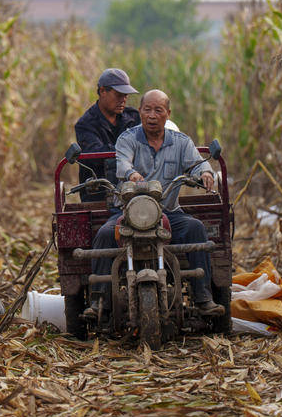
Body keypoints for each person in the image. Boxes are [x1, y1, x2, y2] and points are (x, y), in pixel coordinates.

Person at [83, 89, 225, 318]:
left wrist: (205, 172)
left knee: (196, 229)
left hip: (168, 212)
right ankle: (99, 301)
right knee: (104, 235)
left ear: (168, 114)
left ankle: (203, 298)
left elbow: (197, 164)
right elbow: (123, 163)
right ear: (139, 111)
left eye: (158, 110)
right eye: (147, 109)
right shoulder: (127, 138)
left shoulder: (181, 142)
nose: (151, 115)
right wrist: (131, 175)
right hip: (128, 212)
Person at [73, 68, 140, 200]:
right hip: (100, 194)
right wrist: (130, 148)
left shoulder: (134, 117)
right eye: (119, 94)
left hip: (135, 190)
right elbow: (96, 157)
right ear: (103, 91)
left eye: (126, 95)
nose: (123, 100)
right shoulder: (85, 124)